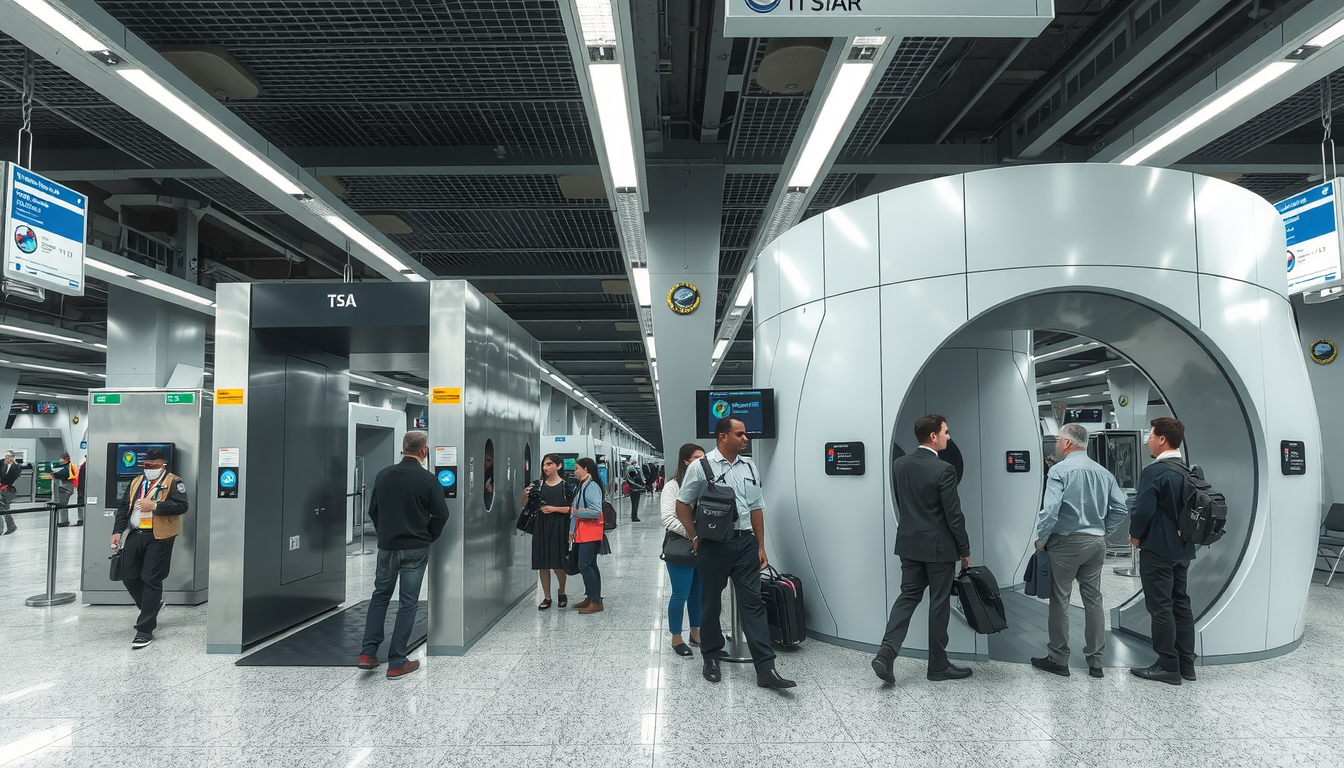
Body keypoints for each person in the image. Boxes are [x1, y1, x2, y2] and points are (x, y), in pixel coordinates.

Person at [676, 417, 795, 689]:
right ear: (722, 437)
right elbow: (681, 504)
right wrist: (694, 535)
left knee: (753, 604)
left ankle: (766, 668)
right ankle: (710, 656)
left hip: (745, 544)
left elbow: (756, 506)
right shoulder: (700, 466)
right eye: (740, 434)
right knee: (710, 604)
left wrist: (761, 545)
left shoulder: (750, 465)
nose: (746, 439)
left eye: (746, 434)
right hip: (714, 546)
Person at [871, 414, 973, 684]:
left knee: (907, 598)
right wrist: (964, 549)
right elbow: (954, 515)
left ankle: (886, 652)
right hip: (939, 549)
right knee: (938, 604)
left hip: (908, 544)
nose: (948, 437)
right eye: (946, 432)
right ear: (933, 436)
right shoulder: (944, 470)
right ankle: (938, 666)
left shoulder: (899, 465)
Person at [1029, 423, 1129, 678]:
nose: (1057, 444)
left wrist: (1041, 538)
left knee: (1060, 598)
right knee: (1094, 600)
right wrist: (1101, 530)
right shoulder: (1103, 472)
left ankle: (1058, 658)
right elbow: (1120, 508)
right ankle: (1096, 662)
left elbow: (1050, 511)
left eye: (1059, 440)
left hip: (1066, 543)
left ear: (1068, 443)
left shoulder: (1059, 471)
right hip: (1096, 543)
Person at [358, 431, 449, 678]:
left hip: (387, 548)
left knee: (380, 597)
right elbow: (441, 514)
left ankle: (368, 653)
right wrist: (429, 536)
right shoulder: (428, 479)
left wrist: (385, 533)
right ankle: (397, 661)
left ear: (403, 447)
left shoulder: (384, 475)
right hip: (415, 548)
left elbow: (373, 510)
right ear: (423, 451)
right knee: (408, 603)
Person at [1129, 417, 1198, 686]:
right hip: (1183, 551)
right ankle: (1187, 665)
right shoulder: (1189, 471)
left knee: (1160, 608)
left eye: (1150, 435)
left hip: (1157, 550)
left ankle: (1167, 665)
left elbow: (1143, 509)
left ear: (1162, 440)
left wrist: (1135, 536)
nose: (1147, 440)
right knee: (1181, 603)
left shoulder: (1154, 472)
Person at [110, 448, 189, 649]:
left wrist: (154, 506)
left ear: (163, 464)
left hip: (160, 536)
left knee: (151, 579)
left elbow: (182, 506)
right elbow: (124, 508)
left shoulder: (173, 482)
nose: (149, 469)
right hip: (136, 534)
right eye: (146, 465)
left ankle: (144, 630)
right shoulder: (137, 482)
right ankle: (151, 606)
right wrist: (118, 531)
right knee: (128, 575)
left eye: (153, 465)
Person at [661, 443, 704, 657]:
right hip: (680, 546)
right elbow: (668, 518)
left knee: (698, 592)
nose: (701, 461)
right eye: (696, 457)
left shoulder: (706, 483)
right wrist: (693, 534)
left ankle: (695, 633)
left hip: (704, 546)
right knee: (680, 593)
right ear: (686, 460)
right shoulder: (673, 486)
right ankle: (676, 637)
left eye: (703, 457)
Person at [525, 453, 575, 609]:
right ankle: (547, 596)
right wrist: (525, 495)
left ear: (558, 466)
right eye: (544, 465)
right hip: (541, 526)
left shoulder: (567, 486)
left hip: (560, 526)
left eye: (549, 464)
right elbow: (524, 506)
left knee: (559, 563)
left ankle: (562, 591)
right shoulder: (536, 485)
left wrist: (554, 509)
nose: (546, 467)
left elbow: (573, 509)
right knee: (542, 563)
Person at [570, 457, 606, 614]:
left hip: (589, 533)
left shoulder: (591, 487)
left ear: (586, 469)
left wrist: (575, 512)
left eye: (577, 468)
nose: (574, 471)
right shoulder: (583, 485)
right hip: (584, 533)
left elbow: (596, 510)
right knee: (591, 565)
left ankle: (596, 601)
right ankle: (592, 597)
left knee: (584, 565)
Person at [1, 451, 31, 535]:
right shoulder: (2, 463)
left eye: (9, 456)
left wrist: (2, 482)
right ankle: (10, 526)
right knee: (2, 509)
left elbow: (11, 479)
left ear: (13, 457)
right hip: (1, 488)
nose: (7, 458)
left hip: (8, 489)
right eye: (6, 456)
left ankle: (10, 526)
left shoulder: (16, 467)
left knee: (4, 509)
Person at [49, 453, 77, 526]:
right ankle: (64, 520)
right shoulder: (66, 466)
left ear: (66, 459)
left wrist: (55, 474)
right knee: (62, 503)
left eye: (62, 459)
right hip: (65, 487)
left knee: (62, 504)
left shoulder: (68, 467)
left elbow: (64, 474)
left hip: (66, 488)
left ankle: (64, 521)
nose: (60, 460)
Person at [625, 458, 646, 522]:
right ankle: (634, 517)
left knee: (633, 503)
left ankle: (633, 516)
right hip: (636, 489)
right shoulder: (634, 470)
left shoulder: (628, 470)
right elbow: (638, 479)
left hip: (631, 489)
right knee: (635, 503)